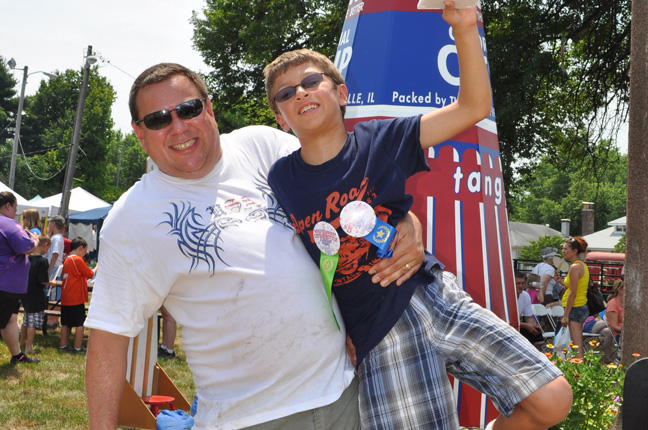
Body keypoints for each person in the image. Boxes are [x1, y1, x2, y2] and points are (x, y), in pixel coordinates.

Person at [263, 4, 572, 429]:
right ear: (280, 119)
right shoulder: (281, 179)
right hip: (381, 334)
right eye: (285, 93)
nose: (300, 93)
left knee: (551, 399)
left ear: (341, 93)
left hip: (435, 295)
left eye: (311, 81)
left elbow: (472, 106)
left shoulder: (382, 139)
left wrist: (463, 28)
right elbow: (301, 267)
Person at [84, 62, 424, 430]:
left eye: (189, 109)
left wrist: (407, 222)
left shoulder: (264, 146)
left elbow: (348, 189)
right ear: (139, 132)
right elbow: (108, 338)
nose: (179, 127)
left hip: (344, 393)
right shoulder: (132, 219)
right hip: (248, 418)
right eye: (158, 119)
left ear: (209, 108)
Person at [0, 191, 41, 364]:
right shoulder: (8, 224)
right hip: (6, 282)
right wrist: (36, 239)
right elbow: (27, 247)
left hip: (8, 283)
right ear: (8, 205)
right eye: (15, 209)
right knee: (5, 318)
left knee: (9, 319)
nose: (15, 213)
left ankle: (17, 355)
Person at [59, 237, 96, 353]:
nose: (84, 254)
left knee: (65, 323)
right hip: (75, 298)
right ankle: (78, 347)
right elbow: (90, 274)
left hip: (66, 297)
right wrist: (97, 267)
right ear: (81, 248)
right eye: (84, 251)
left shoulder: (67, 260)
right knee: (80, 323)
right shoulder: (77, 260)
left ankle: (63, 345)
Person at [555, 236, 590, 359]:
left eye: (566, 249)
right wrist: (561, 282)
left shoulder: (575, 267)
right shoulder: (581, 265)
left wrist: (565, 315)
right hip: (578, 306)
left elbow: (573, 293)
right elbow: (575, 288)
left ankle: (579, 374)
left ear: (574, 251)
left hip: (575, 307)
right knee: (575, 344)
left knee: (576, 345)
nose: (563, 251)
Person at [20, 234, 55, 354]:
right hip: (36, 295)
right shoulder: (43, 261)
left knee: (26, 319)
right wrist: (52, 283)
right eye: (48, 249)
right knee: (32, 323)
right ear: (45, 245)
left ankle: (21, 342)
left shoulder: (27, 258)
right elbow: (42, 280)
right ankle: (29, 347)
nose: (47, 251)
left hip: (25, 292)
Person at [585, 279, 623, 364]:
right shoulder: (613, 303)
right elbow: (613, 325)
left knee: (607, 332)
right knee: (606, 323)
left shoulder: (624, 303)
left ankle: (608, 358)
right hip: (585, 323)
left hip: (594, 322)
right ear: (619, 290)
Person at [516, 273, 544, 351]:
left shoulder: (525, 295)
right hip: (505, 325)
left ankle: (538, 359)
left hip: (517, 324)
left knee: (536, 332)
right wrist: (527, 325)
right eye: (518, 283)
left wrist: (534, 325)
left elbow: (529, 317)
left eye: (523, 283)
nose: (521, 286)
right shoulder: (506, 296)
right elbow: (505, 321)